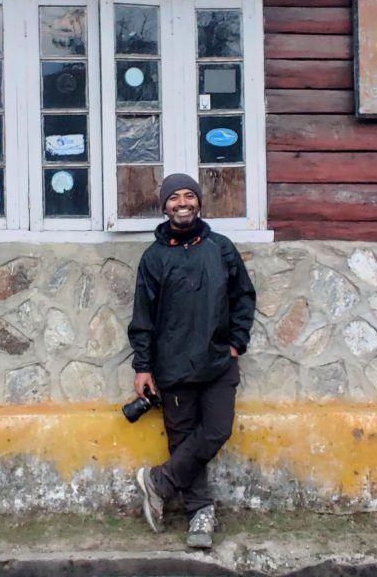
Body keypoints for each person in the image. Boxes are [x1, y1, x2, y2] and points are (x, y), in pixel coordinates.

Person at [127, 172, 256, 549]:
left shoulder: (221, 248)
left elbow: (243, 298)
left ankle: (159, 482)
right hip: (173, 364)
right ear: (164, 205)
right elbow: (143, 317)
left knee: (216, 431)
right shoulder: (153, 258)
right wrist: (143, 366)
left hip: (218, 360)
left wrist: (236, 342)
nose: (182, 203)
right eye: (174, 198)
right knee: (183, 439)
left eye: (189, 196)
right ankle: (200, 514)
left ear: (199, 202)